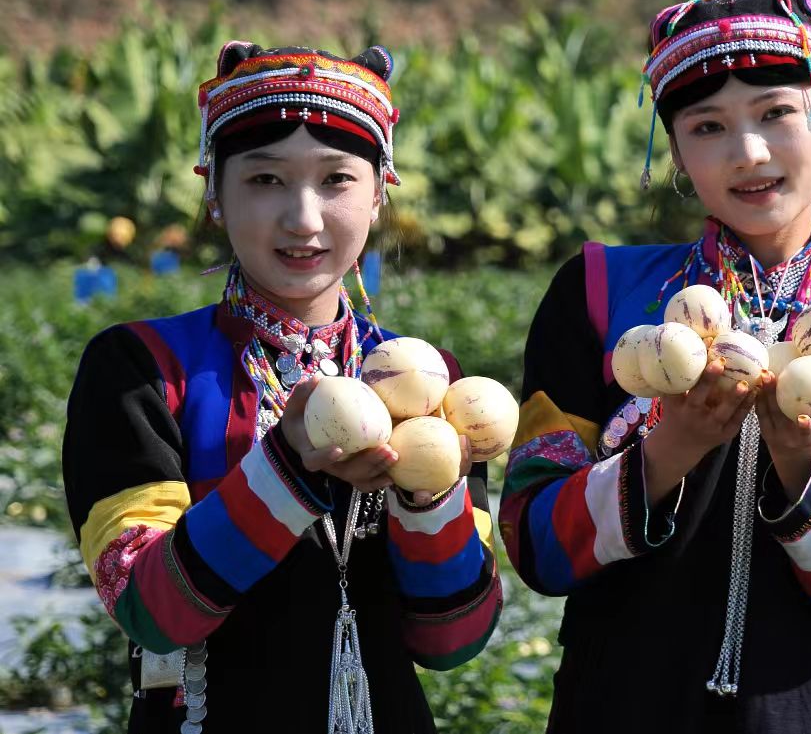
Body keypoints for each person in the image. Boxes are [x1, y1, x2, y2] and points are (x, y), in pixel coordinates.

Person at [499, 0, 811, 732]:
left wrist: (803, 464)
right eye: (706, 126)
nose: (748, 151)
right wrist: (673, 445)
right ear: (675, 153)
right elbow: (535, 542)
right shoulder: (598, 292)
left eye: (775, 113)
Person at [63, 43, 503, 733]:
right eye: (265, 180)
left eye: (336, 180)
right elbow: (151, 608)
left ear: (380, 191)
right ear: (215, 192)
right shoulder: (142, 368)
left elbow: (453, 638)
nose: (303, 218)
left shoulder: (426, 380)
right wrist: (290, 461)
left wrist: (428, 490)